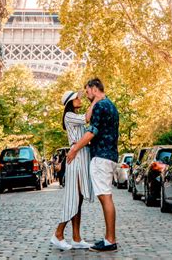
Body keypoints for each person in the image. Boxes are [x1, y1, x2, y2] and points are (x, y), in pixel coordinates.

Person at [67, 78, 119, 253]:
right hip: (110, 155)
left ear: (95, 88)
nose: (87, 94)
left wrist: (74, 149)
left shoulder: (99, 106)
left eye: (87, 91)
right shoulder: (110, 105)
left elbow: (92, 131)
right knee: (106, 196)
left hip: (101, 157)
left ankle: (110, 240)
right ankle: (109, 238)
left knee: (105, 197)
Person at [50, 90, 94, 251]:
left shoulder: (73, 115)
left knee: (79, 198)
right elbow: (87, 118)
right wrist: (96, 100)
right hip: (75, 157)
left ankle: (76, 238)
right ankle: (58, 234)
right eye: (77, 98)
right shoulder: (69, 115)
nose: (80, 99)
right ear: (71, 101)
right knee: (73, 198)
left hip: (81, 156)